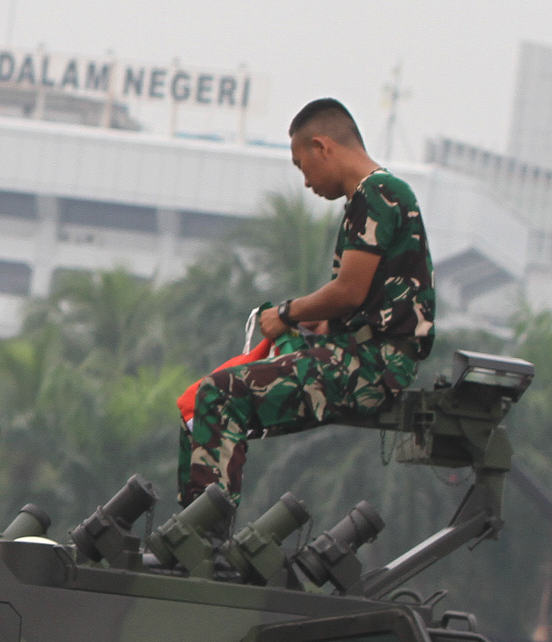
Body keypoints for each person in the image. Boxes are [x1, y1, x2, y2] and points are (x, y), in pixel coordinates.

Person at [177, 97, 434, 504]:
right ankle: (201, 515)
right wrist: (319, 324)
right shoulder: (366, 199)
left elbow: (348, 291)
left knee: (219, 395)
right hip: (359, 352)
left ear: (323, 147)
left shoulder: (379, 193)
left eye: (301, 165)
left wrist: (286, 313)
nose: (306, 180)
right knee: (209, 401)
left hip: (373, 364)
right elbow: (365, 299)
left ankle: (203, 529)